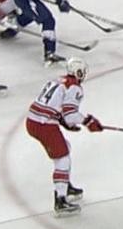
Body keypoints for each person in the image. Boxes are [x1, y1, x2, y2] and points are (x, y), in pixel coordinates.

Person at [24, 57, 104, 217]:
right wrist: (89, 122)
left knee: (65, 147)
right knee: (63, 158)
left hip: (32, 120)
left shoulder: (58, 80)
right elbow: (70, 115)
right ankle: (60, 200)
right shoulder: (74, 87)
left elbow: (56, 108)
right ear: (79, 72)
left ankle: (65, 185)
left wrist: (63, 122)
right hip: (44, 124)